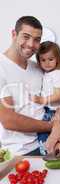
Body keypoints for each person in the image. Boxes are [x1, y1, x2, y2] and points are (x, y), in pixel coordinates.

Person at [0, 16, 55, 155]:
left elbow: (56, 99)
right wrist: (51, 126)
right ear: (14, 34)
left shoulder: (38, 67)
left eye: (37, 39)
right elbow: (8, 120)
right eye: (26, 36)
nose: (31, 44)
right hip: (18, 152)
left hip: (47, 145)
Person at [30, 41, 60, 144]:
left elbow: (59, 95)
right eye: (43, 60)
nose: (47, 63)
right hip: (48, 110)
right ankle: (47, 150)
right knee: (43, 133)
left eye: (51, 59)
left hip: (55, 111)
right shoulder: (47, 74)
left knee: (46, 134)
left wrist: (42, 100)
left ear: (57, 59)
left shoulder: (57, 74)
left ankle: (47, 151)